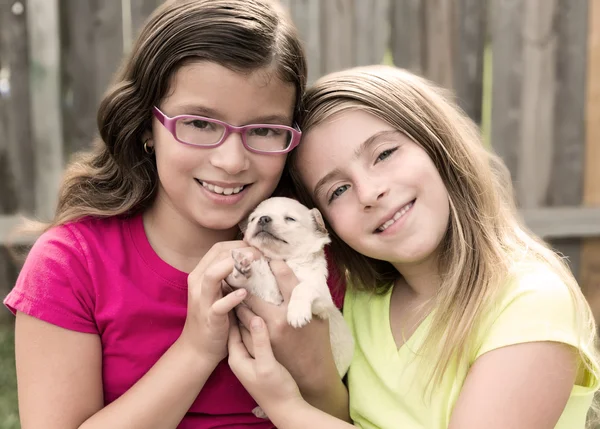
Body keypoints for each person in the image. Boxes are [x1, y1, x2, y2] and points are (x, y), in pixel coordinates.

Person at [3, 1, 349, 428]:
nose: (230, 160)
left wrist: (314, 370)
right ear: (147, 125)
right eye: (200, 124)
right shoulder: (72, 265)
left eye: (263, 130)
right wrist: (197, 349)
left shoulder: (315, 257)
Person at [228, 65, 600, 429]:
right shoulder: (359, 301)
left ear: (436, 143)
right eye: (338, 191)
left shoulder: (530, 302)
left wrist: (286, 407)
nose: (370, 192)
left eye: (385, 154)